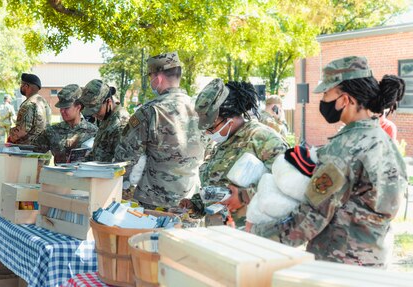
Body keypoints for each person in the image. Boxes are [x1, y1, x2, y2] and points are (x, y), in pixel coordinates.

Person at [251, 56, 407, 268]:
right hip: (375, 264)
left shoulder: (345, 148)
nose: (323, 100)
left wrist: (254, 233)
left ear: (345, 99)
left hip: (339, 267)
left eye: (326, 93)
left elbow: (309, 220)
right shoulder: (383, 140)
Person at [186, 79, 288, 226]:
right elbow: (218, 187)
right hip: (219, 232)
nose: (208, 132)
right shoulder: (224, 142)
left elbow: (285, 186)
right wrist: (196, 204)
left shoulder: (264, 140)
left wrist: (244, 196)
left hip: (250, 235)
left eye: (212, 126)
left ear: (231, 118)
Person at [114, 51, 204, 210]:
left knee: (149, 236)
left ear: (158, 78)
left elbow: (126, 156)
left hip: (155, 203)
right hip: (190, 201)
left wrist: (121, 186)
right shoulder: (199, 109)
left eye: (150, 76)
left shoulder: (150, 111)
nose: (150, 81)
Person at [33, 84, 98, 164]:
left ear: (78, 107)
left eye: (66, 108)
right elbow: (35, 154)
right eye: (61, 108)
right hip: (59, 176)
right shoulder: (51, 131)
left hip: (84, 175)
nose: (62, 111)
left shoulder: (94, 132)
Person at [79, 79, 129, 162]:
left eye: (96, 110)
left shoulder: (120, 124)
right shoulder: (107, 118)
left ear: (108, 102)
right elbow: (98, 152)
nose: (94, 115)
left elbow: (121, 162)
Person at [9, 73, 51, 145]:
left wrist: (11, 135)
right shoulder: (44, 102)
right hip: (43, 148)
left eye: (21, 84)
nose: (20, 87)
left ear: (26, 86)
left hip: (28, 150)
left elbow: (21, 132)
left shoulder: (28, 105)